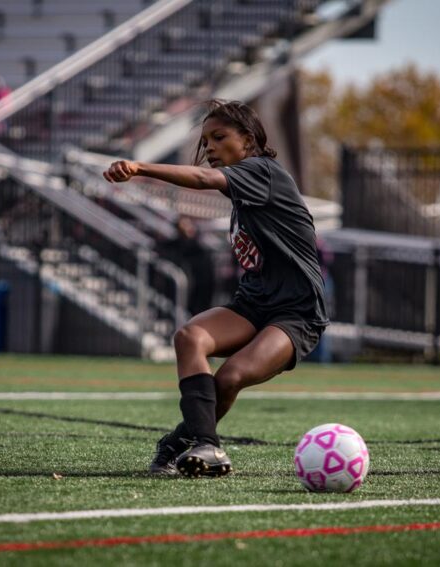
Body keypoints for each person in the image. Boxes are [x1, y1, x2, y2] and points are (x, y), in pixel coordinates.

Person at [104, 100, 329, 478]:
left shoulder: (263, 172)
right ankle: (206, 446)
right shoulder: (242, 192)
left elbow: (204, 180)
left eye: (219, 137)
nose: (209, 147)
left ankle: (179, 443)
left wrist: (141, 167)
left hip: (296, 313)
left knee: (229, 377)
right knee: (190, 337)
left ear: (249, 138)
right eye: (205, 140)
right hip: (253, 304)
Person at [157, 215, 215, 316]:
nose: (188, 230)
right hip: (177, 295)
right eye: (184, 226)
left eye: (189, 226)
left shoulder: (201, 251)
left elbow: (207, 280)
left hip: (197, 295)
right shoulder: (171, 247)